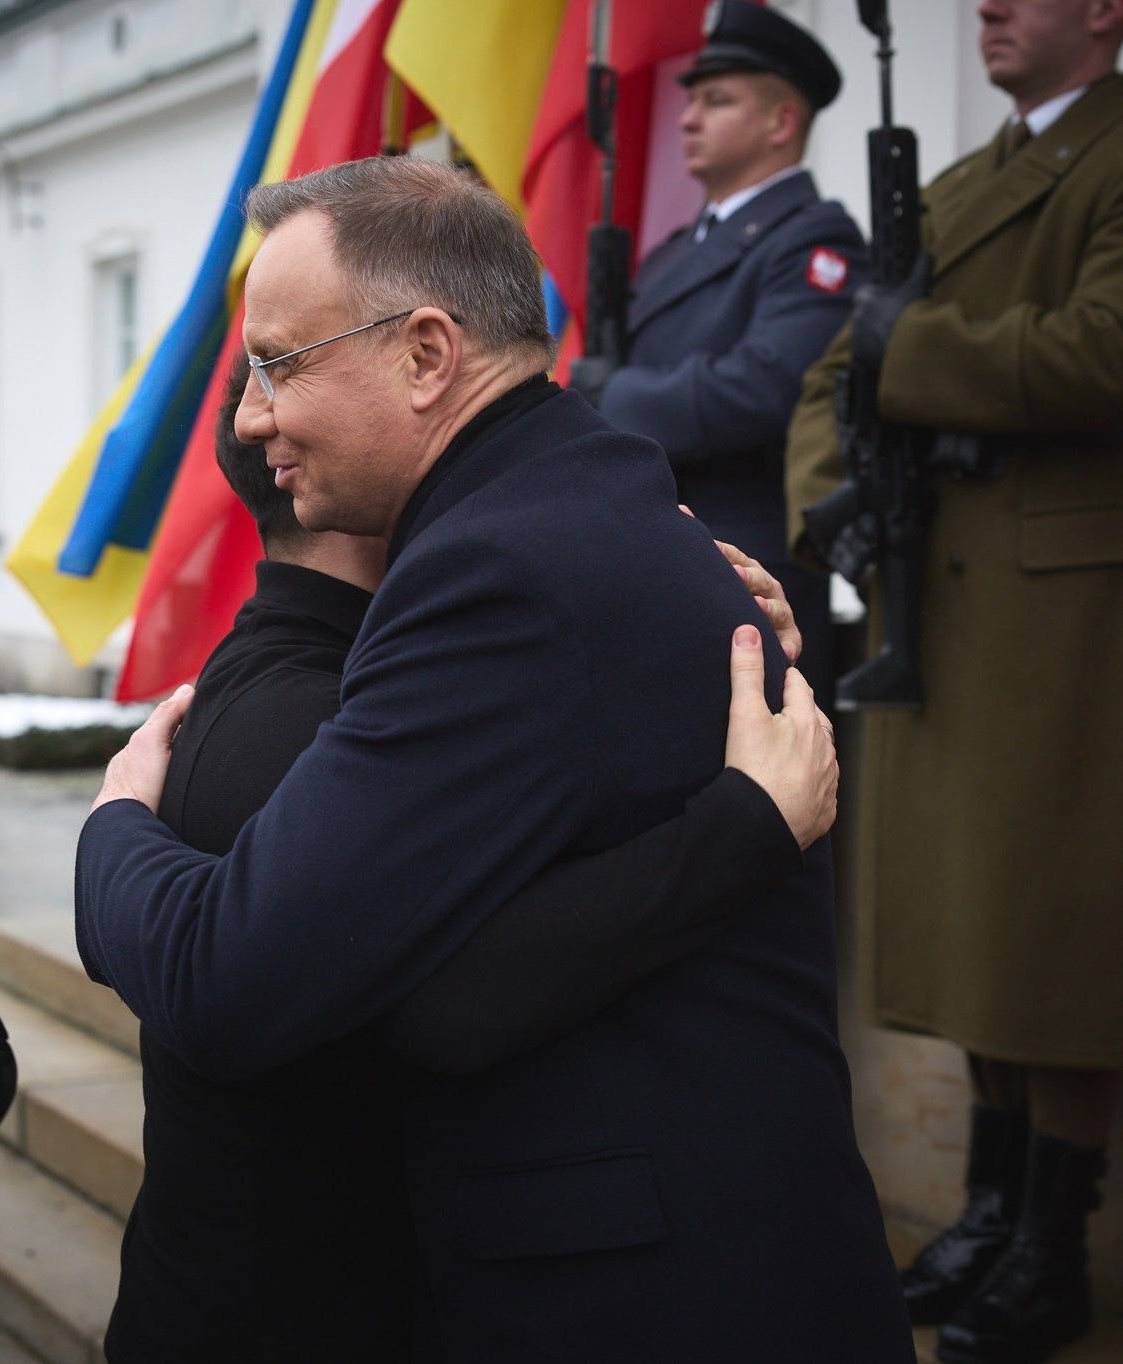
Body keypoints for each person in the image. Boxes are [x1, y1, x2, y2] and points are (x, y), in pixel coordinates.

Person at [77, 156, 912, 1362]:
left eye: (277, 363)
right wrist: (731, 831)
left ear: (425, 355)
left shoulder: (496, 572)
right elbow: (447, 996)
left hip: (660, 1304)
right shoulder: (575, 508)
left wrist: (110, 832)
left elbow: (235, 974)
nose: (252, 419)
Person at [785, 2, 1123, 1360]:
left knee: (1057, 938)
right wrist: (833, 501)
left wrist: (905, 356)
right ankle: (991, 1211)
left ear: (1101, 12)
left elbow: (1104, 347)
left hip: (1065, 611)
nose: (988, 7)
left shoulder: (1107, 160)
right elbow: (827, 376)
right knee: (978, 927)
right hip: (940, 596)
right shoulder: (966, 179)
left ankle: (1051, 1242)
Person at [594, 0, 866, 710]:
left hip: (748, 572)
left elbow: (768, 386)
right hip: (657, 555)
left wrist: (614, 395)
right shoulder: (670, 254)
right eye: (693, 101)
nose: (688, 118)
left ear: (780, 122)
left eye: (717, 101)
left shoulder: (816, 241)